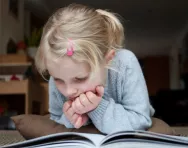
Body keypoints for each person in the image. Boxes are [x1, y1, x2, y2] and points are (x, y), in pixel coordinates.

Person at [35, 3, 155, 134]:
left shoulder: (125, 63)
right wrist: (71, 119)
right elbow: (56, 119)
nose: (69, 91)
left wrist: (97, 108)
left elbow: (141, 120)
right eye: (58, 80)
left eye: (80, 78)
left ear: (107, 59)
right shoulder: (59, 71)